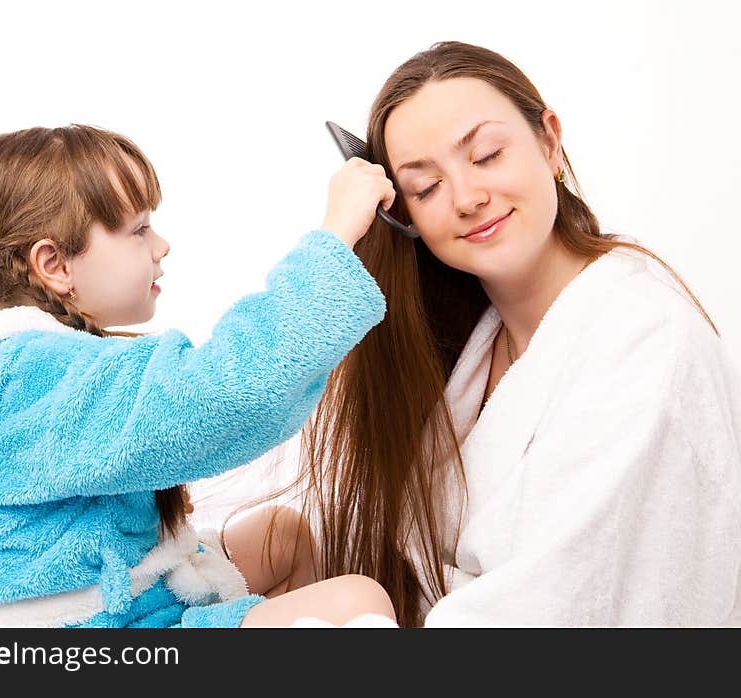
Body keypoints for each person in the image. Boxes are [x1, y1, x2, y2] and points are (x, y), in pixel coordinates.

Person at [290, 41, 741, 627]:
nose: (468, 199)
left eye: (487, 155)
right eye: (425, 189)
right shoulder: (468, 343)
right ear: (403, 217)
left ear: (550, 142)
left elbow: (557, 609)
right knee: (277, 539)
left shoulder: (645, 343)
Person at [0, 124, 398, 628]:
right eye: (138, 230)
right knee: (358, 601)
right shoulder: (39, 380)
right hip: (104, 629)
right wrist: (336, 236)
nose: (161, 245)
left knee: (282, 536)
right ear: (54, 264)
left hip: (121, 591)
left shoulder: (12, 366)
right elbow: (223, 395)